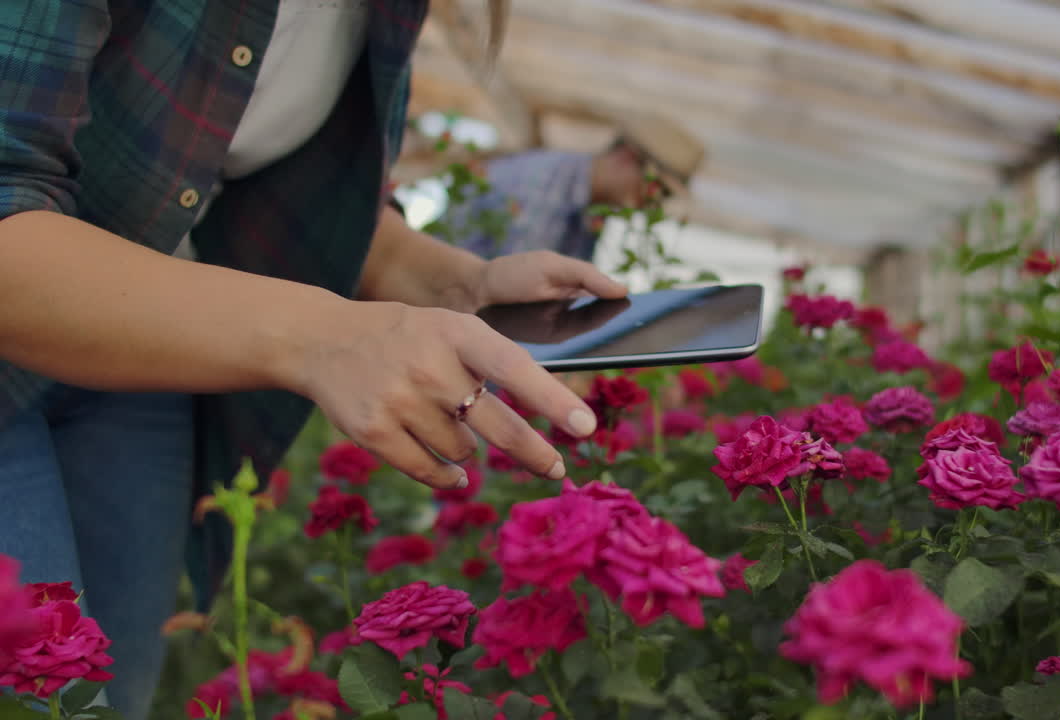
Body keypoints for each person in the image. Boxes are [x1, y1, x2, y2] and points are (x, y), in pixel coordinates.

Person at [0, 2, 625, 716]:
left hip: (142, 358)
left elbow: (287, 191)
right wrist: (322, 337)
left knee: (103, 692)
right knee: (49, 696)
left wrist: (457, 287)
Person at [443, 113, 705, 261]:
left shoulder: (587, 205)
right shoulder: (540, 186)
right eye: (656, 188)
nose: (654, 202)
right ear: (627, 157)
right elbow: (514, 293)